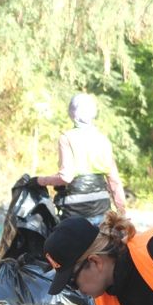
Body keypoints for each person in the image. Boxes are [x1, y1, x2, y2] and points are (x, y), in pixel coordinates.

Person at [35, 93, 125, 224]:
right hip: (102, 212)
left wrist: (40, 181)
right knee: (102, 244)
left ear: (72, 113)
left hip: (75, 214)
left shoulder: (66, 138)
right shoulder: (103, 139)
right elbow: (114, 181)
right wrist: (122, 212)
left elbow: (66, 177)